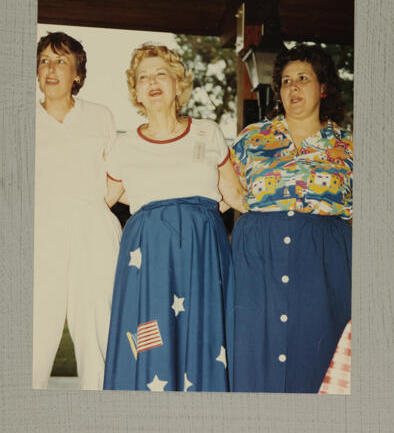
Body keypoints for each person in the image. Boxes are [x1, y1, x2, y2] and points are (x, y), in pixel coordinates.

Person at [103, 43, 246, 392]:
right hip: (148, 260)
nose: (152, 82)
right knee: (152, 342)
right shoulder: (123, 147)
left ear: (178, 84)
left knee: (204, 341)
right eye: (143, 77)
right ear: (135, 90)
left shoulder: (207, 132)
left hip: (202, 254)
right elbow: (103, 200)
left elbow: (235, 195)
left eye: (161, 74)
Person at [230, 44, 352, 393]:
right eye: (285, 81)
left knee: (318, 357)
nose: (293, 88)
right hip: (258, 264)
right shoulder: (252, 139)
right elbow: (217, 193)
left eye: (303, 79)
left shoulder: (349, 146)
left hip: (324, 264)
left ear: (323, 88)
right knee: (255, 357)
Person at [33, 32, 121, 390]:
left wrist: (91, 212)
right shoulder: (18, 119)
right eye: (44, 61)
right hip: (39, 231)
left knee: (96, 331)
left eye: (60, 61)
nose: (50, 68)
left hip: (92, 230)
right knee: (34, 333)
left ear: (78, 75)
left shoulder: (99, 116)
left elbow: (118, 176)